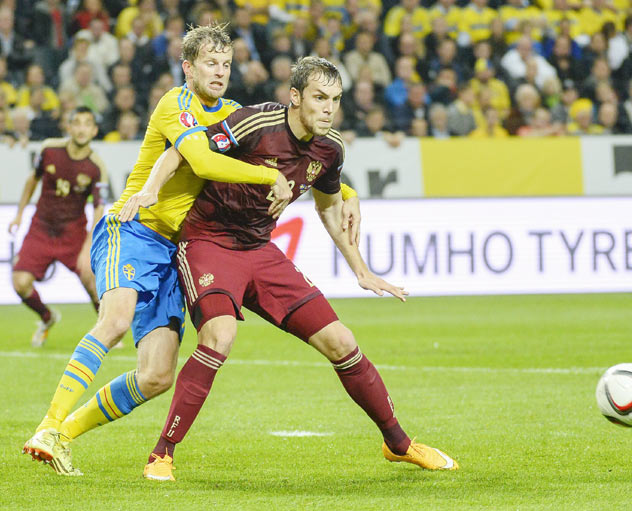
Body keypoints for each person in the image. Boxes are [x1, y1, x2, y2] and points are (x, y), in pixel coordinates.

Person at [132, 56, 458, 481]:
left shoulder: (330, 148)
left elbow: (329, 208)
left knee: (341, 341)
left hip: (260, 251)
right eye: (320, 98)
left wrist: (360, 269)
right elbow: (182, 150)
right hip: (208, 242)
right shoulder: (256, 123)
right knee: (220, 335)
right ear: (295, 97)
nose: (328, 108)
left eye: (335, 100)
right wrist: (150, 190)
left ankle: (399, 444)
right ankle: (162, 454)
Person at [21, 23, 297, 476]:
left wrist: (341, 190)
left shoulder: (232, 113)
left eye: (226, 64)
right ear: (187, 67)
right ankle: (47, 424)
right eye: (211, 63)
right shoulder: (176, 103)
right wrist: (269, 178)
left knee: (156, 376)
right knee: (114, 319)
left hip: (177, 252)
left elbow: (282, 150)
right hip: (133, 229)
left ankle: (63, 435)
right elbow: (204, 161)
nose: (220, 71)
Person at [9, 106, 106, 347]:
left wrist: (87, 247)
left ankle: (106, 333)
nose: (82, 128)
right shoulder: (50, 149)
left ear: (94, 131)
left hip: (72, 231)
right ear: (69, 126)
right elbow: (33, 179)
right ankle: (47, 316)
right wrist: (19, 214)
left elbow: (98, 208)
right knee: (19, 283)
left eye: (87, 124)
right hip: (41, 227)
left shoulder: (96, 167)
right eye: (77, 123)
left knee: (91, 281)